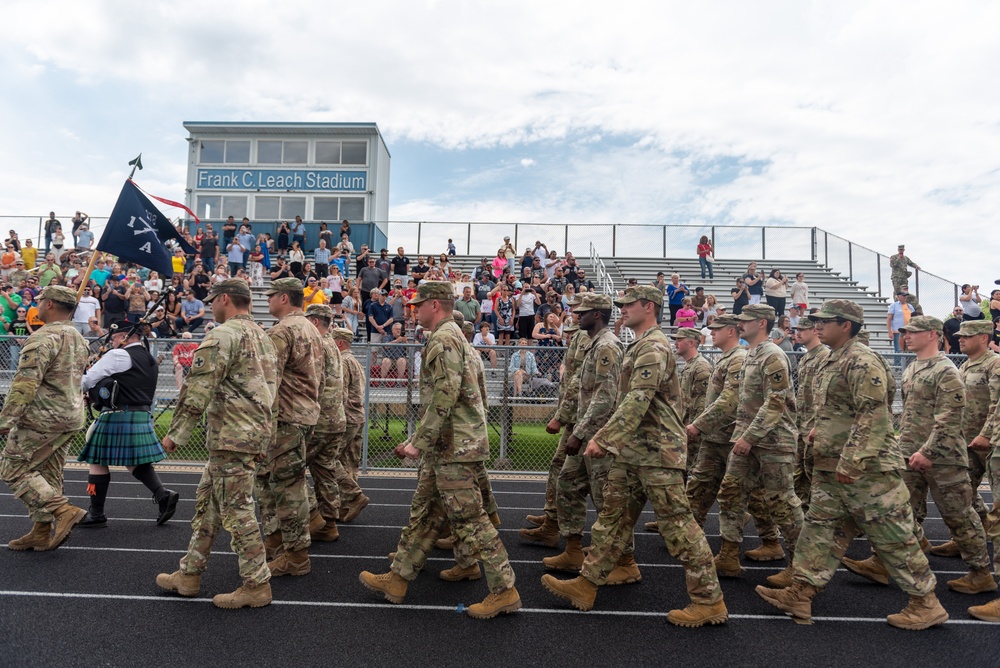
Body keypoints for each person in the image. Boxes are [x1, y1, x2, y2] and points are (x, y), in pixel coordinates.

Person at [541, 286, 727, 626]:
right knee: (612, 520)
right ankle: (589, 583)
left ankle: (709, 601)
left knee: (680, 529)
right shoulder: (638, 345)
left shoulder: (653, 347)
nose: (622, 309)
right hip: (633, 451)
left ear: (649, 307)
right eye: (622, 304)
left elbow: (637, 400)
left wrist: (604, 438)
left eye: (629, 305)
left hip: (657, 453)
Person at [756, 299, 947, 629]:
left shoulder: (861, 360)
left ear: (846, 325)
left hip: (867, 470)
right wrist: (822, 430)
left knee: (894, 537)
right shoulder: (835, 358)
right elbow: (840, 409)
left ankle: (926, 603)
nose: (817, 326)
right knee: (819, 530)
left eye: (825, 321)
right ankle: (800, 592)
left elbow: (874, 416)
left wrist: (853, 460)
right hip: (833, 467)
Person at [359, 281, 521, 619]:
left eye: (419, 304)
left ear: (435, 305)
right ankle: (399, 578)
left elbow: (444, 394)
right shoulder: (458, 340)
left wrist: (420, 442)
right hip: (453, 444)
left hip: (453, 447)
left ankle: (505, 590)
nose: (414, 310)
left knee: (470, 520)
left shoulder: (443, 339)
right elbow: (475, 396)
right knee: (426, 512)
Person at [843, 315, 992, 595]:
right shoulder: (912, 367)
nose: (906, 336)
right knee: (901, 510)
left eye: (913, 332)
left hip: (943, 457)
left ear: (932, 335)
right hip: (910, 454)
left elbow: (950, 419)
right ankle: (883, 563)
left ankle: (980, 573)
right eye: (905, 332)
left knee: (958, 516)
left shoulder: (945, 370)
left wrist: (929, 451)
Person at [156, 279, 278, 609]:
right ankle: (190, 573)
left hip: (231, 437)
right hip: (248, 434)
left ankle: (257, 583)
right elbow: (270, 390)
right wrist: (265, 434)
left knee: (237, 511)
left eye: (213, 301)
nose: (210, 306)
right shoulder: (263, 336)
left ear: (225, 299)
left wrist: (176, 433)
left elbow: (197, 388)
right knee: (208, 507)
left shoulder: (222, 335)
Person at [712, 304, 803, 581]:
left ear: (762, 323)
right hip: (745, 438)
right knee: (730, 492)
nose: (740, 324)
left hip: (773, 441)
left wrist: (750, 437)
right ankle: (728, 554)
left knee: (782, 501)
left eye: (746, 321)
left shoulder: (772, 355)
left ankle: (800, 567)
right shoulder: (751, 353)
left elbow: (775, 402)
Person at [539, 295, 626, 574]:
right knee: (567, 481)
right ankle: (573, 549)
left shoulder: (607, 346)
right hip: (585, 428)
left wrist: (581, 433)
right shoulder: (595, 344)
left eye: (584, 312)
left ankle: (625, 561)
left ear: (598, 315)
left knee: (606, 498)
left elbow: (605, 397)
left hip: (599, 433)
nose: (577, 315)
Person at [0, 285, 89, 551]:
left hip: (42, 418)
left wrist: (5, 421)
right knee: (49, 474)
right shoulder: (77, 337)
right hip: (70, 415)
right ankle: (40, 531)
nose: (37, 305)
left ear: (49, 305)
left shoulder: (42, 338)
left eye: (41, 301)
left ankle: (63, 511)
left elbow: (25, 384)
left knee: (12, 468)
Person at [77, 318, 178, 528]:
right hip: (140, 415)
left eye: (114, 338)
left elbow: (85, 380)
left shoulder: (118, 354)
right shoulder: (148, 358)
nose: (112, 343)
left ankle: (96, 514)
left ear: (124, 337)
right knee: (134, 462)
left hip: (117, 414)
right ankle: (162, 495)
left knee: (97, 461)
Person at [256, 277, 325, 577]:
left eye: (271, 296)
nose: (268, 300)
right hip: (304, 414)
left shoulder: (283, 331)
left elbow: (268, 381)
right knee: (282, 482)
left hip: (285, 418)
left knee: (288, 488)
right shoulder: (310, 327)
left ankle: (295, 555)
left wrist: (261, 423)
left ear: (284, 298)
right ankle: (277, 543)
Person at [928, 320, 1000, 558]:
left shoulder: (994, 364)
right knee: (962, 492)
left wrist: (986, 434)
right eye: (960, 336)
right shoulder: (966, 365)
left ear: (983, 338)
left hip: (989, 442)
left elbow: (997, 405)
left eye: (967, 336)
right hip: (967, 441)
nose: (960, 339)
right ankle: (969, 537)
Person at [522, 295, 585, 539]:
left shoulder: (590, 341)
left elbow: (581, 384)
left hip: (582, 421)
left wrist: (561, 416)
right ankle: (552, 519)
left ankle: (570, 537)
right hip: (574, 419)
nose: (576, 311)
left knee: (579, 481)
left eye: (580, 308)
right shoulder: (581, 337)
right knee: (560, 470)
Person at [302, 304, 347, 543]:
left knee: (290, 468)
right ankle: (329, 524)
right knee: (325, 471)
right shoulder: (333, 344)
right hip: (336, 419)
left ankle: (312, 517)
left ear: (316, 322)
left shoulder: (318, 344)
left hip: (319, 420)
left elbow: (313, 383)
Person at [788, 317, 829, 514]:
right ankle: (806, 518)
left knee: (816, 477)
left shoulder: (824, 356)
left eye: (802, 329)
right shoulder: (805, 358)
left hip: (815, 426)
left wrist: (819, 424)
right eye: (797, 330)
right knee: (800, 477)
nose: (798, 333)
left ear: (814, 330)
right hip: (802, 425)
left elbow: (825, 396)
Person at [330, 327, 369, 521]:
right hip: (358, 416)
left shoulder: (343, 362)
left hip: (347, 417)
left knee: (329, 459)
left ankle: (353, 496)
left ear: (339, 343)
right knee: (350, 462)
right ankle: (347, 506)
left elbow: (341, 394)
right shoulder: (354, 361)